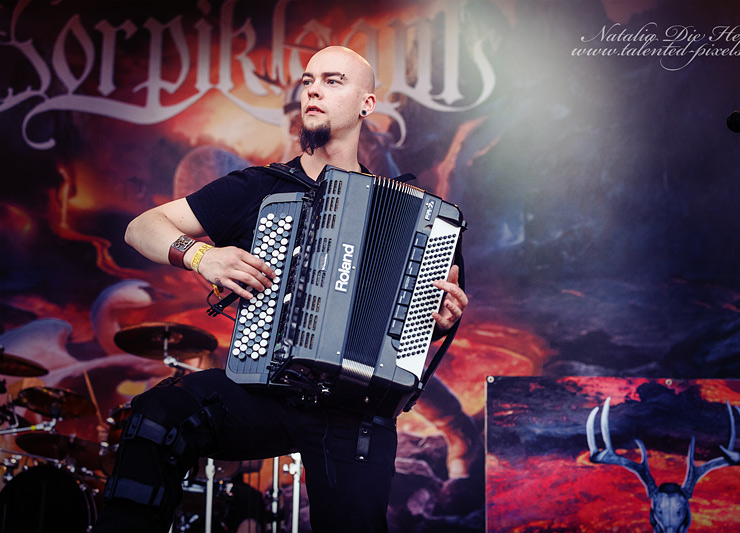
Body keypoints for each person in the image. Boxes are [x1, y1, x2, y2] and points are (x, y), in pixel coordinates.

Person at [93, 46, 468, 533]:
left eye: (333, 81)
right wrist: (202, 255)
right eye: (309, 80)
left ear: (366, 104)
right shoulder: (258, 187)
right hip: (265, 389)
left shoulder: (415, 215)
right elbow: (142, 227)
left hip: (356, 410)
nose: (313, 89)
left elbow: (417, 332)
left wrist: (436, 320)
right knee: (157, 414)